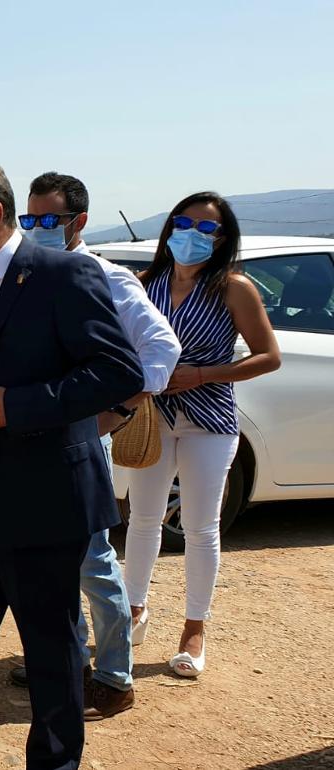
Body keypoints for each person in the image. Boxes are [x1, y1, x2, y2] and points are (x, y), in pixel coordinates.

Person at [0, 158, 143, 770]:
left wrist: (17, 406)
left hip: (44, 492)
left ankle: (55, 757)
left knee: (49, 638)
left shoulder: (63, 275)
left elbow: (120, 372)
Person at [5, 172, 180, 720]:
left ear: (79, 221)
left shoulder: (105, 277)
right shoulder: (21, 275)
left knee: (92, 561)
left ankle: (114, 675)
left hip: (79, 441)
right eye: (28, 220)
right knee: (47, 563)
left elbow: (160, 348)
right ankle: (67, 661)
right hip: (30, 440)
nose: (36, 229)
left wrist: (118, 409)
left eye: (48, 220)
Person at [124, 192, 280, 678]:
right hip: (153, 418)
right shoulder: (145, 283)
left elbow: (267, 356)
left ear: (223, 238)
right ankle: (133, 612)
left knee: (200, 526)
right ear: (170, 227)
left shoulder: (233, 287)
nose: (193, 235)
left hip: (209, 419)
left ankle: (195, 628)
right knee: (142, 519)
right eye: (185, 224)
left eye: (207, 229)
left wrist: (204, 374)